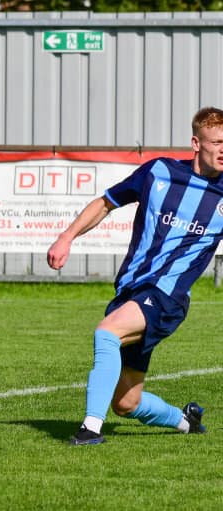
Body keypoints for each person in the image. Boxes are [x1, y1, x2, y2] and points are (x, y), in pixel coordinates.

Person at [47, 106, 223, 445]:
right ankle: (186, 421)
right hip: (132, 290)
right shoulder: (159, 172)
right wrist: (66, 237)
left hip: (167, 296)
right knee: (126, 403)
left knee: (107, 332)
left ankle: (89, 430)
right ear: (196, 144)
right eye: (216, 142)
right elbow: (105, 203)